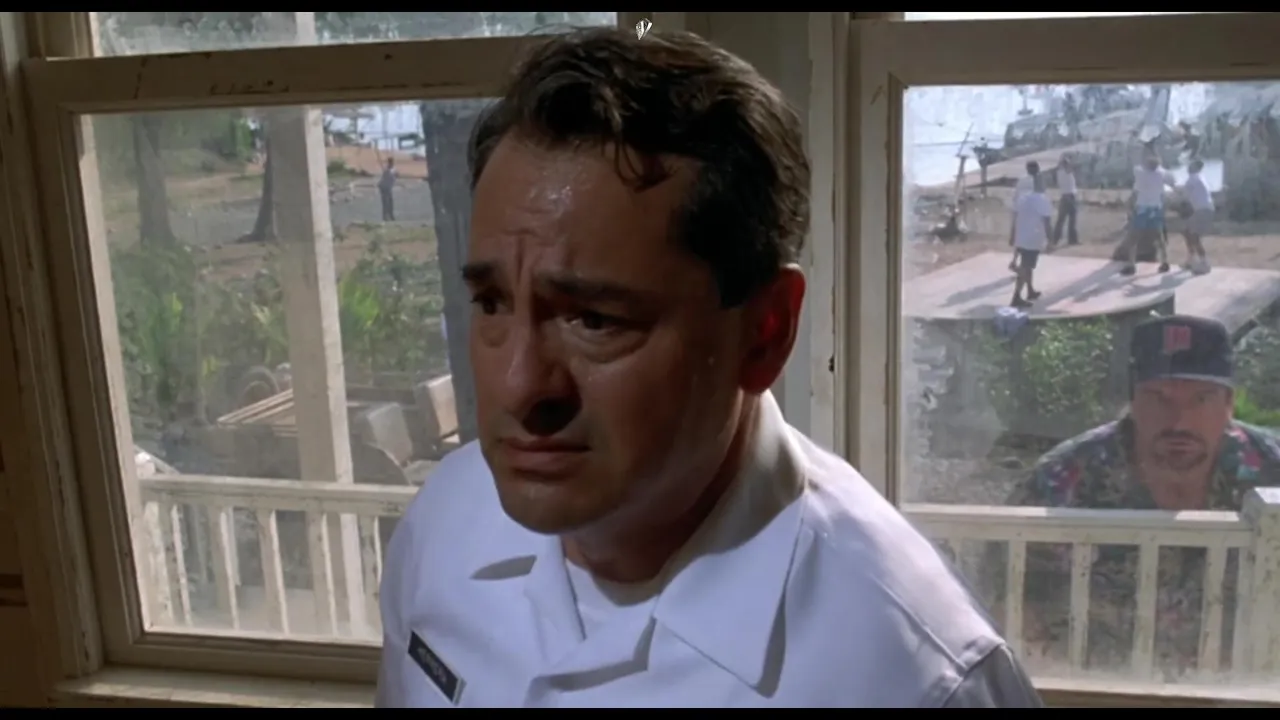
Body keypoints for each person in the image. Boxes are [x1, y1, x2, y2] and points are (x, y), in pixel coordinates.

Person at [375, 28, 1041, 709]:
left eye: (595, 320)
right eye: (491, 303)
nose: (519, 386)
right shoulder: (444, 525)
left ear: (765, 333)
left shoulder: (915, 681)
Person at [994, 315, 1280, 673]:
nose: (1179, 421)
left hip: (1248, 688)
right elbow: (999, 598)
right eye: (1159, 399)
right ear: (1132, 400)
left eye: (1201, 399)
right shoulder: (1061, 481)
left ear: (1228, 404)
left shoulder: (1272, 472)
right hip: (1093, 687)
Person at [1121, 148, 1176, 276]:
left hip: (1143, 208)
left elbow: (1136, 190)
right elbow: (1172, 183)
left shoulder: (1140, 172)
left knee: (1133, 237)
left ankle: (1131, 264)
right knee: (1159, 237)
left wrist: (1129, 205)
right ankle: (1165, 261)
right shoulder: (1162, 173)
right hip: (1156, 208)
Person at [1010, 173, 1053, 309]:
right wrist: (1050, 240)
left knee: (1027, 265)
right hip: (1032, 238)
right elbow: (1047, 222)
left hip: (1021, 236)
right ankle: (1016, 297)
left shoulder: (1023, 198)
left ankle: (1030, 290)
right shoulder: (1043, 200)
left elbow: (1015, 217)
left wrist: (1013, 235)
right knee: (1026, 266)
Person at [1179, 159, 1214, 275]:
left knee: (1194, 236)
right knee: (1186, 232)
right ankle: (1191, 259)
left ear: (1195, 168)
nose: (1188, 168)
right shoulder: (1200, 178)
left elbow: (1184, 198)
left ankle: (1205, 263)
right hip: (1203, 209)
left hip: (1201, 210)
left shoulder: (1192, 179)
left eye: (1191, 166)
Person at [1008, 160, 1041, 272]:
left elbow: (1016, 196)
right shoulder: (1036, 181)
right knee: (1027, 241)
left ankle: (1015, 261)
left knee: (1020, 238)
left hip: (1020, 211)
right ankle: (1024, 266)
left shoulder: (1022, 180)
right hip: (1031, 213)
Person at [1052, 155, 1078, 247]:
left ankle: (1055, 239)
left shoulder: (1060, 172)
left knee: (1062, 220)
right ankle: (1071, 239)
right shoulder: (1065, 172)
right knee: (1071, 219)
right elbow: (1070, 168)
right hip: (1069, 196)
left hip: (1065, 197)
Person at [379, 156, 397, 222]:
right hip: (384, 187)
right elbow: (385, 177)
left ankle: (391, 215)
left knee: (390, 202)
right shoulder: (387, 170)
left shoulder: (393, 169)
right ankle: (385, 216)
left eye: (392, 162)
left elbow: (394, 176)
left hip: (389, 187)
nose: (391, 163)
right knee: (385, 202)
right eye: (390, 162)